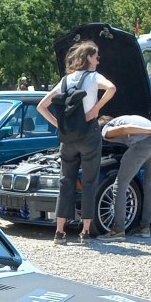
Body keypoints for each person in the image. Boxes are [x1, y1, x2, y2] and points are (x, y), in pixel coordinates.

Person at [37, 40, 115, 245]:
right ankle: (85, 232)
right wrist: (96, 109)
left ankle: (60, 232)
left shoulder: (65, 80)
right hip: (89, 134)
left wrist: (58, 124)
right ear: (89, 57)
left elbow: (41, 106)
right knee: (89, 182)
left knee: (66, 182)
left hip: (67, 138)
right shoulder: (94, 77)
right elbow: (112, 88)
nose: (98, 60)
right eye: (96, 56)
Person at [99, 114, 151, 240]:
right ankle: (145, 228)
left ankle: (118, 230)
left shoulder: (106, 128)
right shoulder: (131, 117)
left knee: (119, 186)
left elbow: (125, 129)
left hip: (143, 144)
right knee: (149, 185)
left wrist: (150, 131)